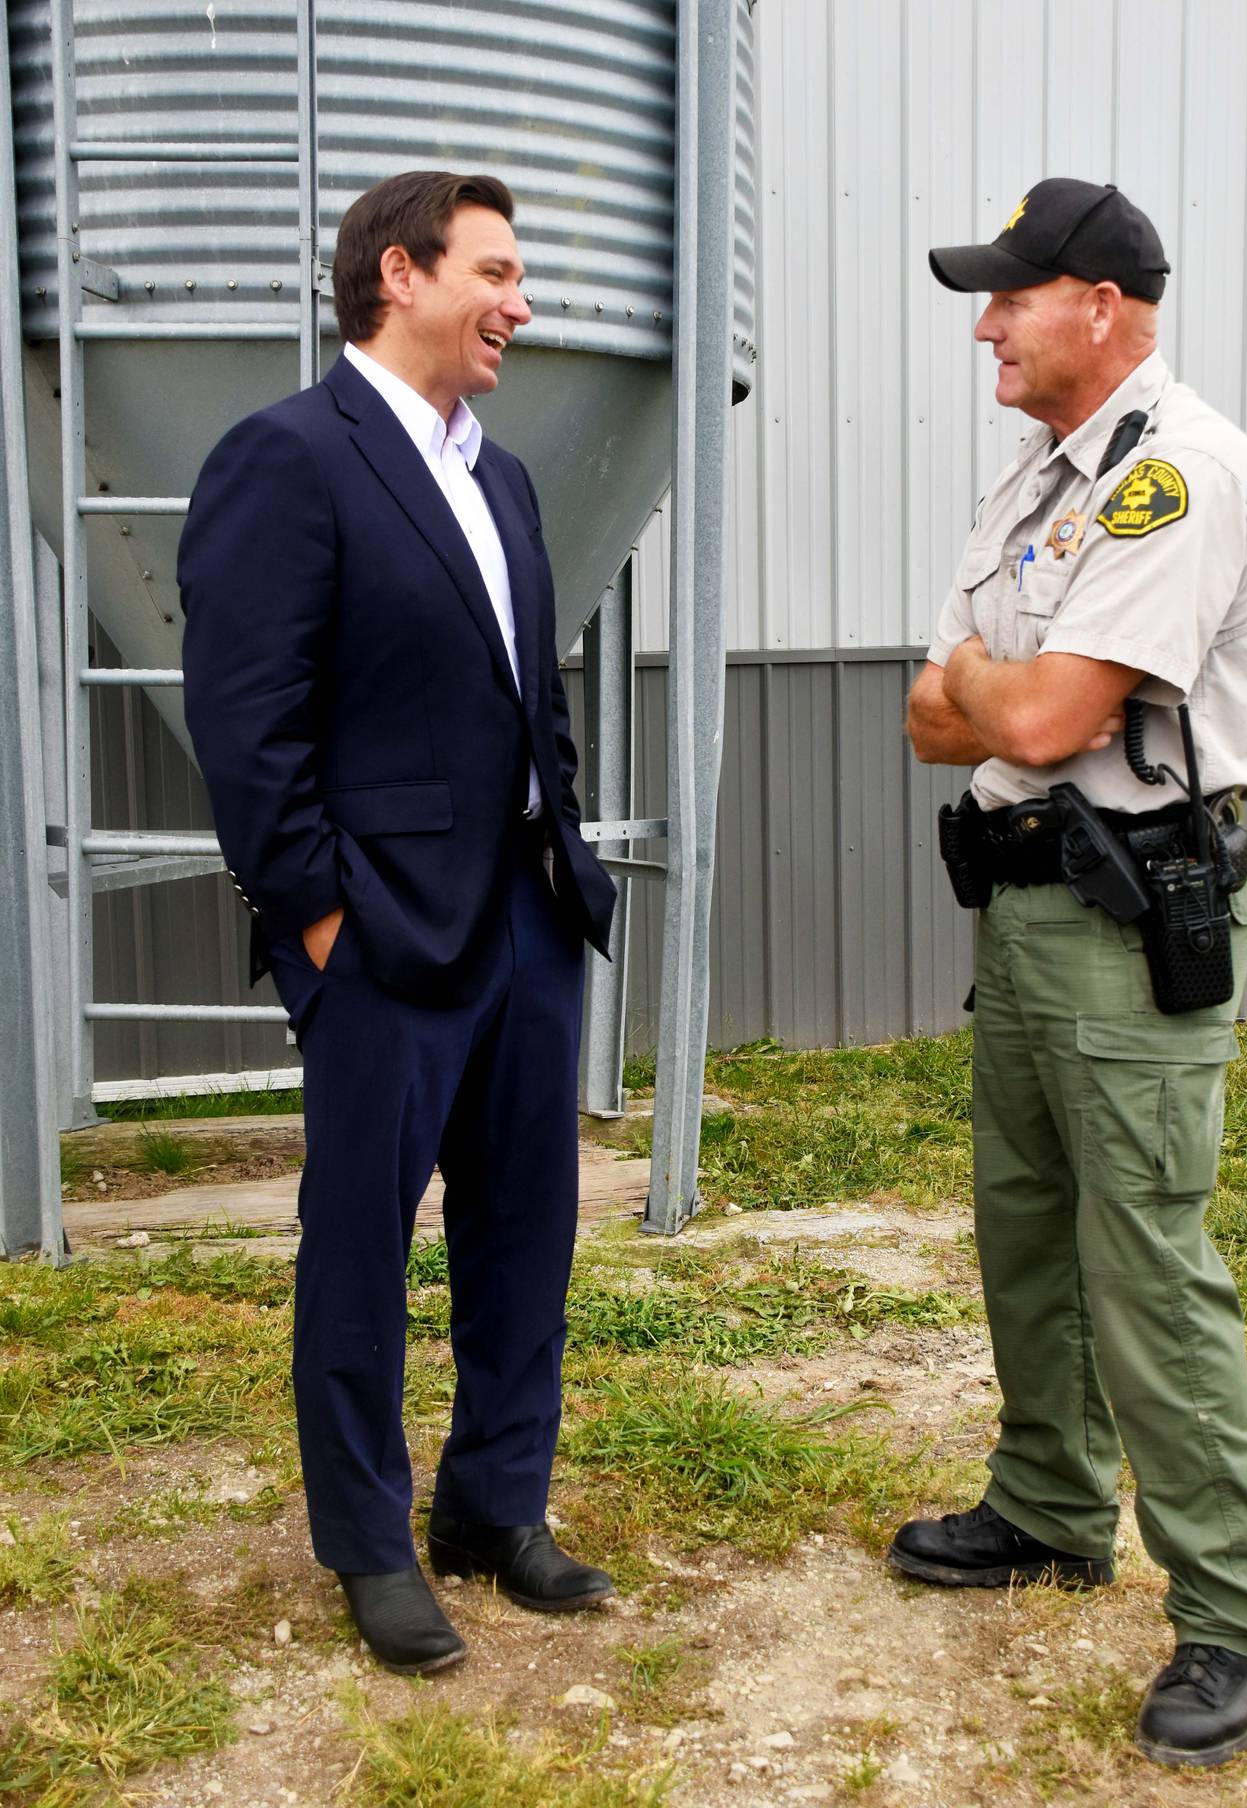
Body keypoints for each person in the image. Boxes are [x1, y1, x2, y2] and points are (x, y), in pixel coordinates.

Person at [180, 170, 617, 1674]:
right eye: (496, 271)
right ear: (398, 276)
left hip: (523, 924)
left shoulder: (499, 476)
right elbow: (247, 726)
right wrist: (313, 918)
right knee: (360, 1245)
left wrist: (555, 850)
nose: (523, 302)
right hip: (380, 941)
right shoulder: (290, 458)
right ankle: (369, 1542)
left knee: (527, 1230)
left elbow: (526, 700)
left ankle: (495, 1507)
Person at [892, 178, 1247, 1768]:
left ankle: (1230, 1616)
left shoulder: (1172, 476)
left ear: (1103, 306)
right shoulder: (1037, 483)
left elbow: (1043, 723)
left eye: (1010, 296)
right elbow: (933, 708)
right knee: (1030, 1237)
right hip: (1027, 913)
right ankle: (1052, 1506)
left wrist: (992, 691)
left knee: (1147, 1269)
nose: (985, 324)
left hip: (1132, 923)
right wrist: (999, 689)